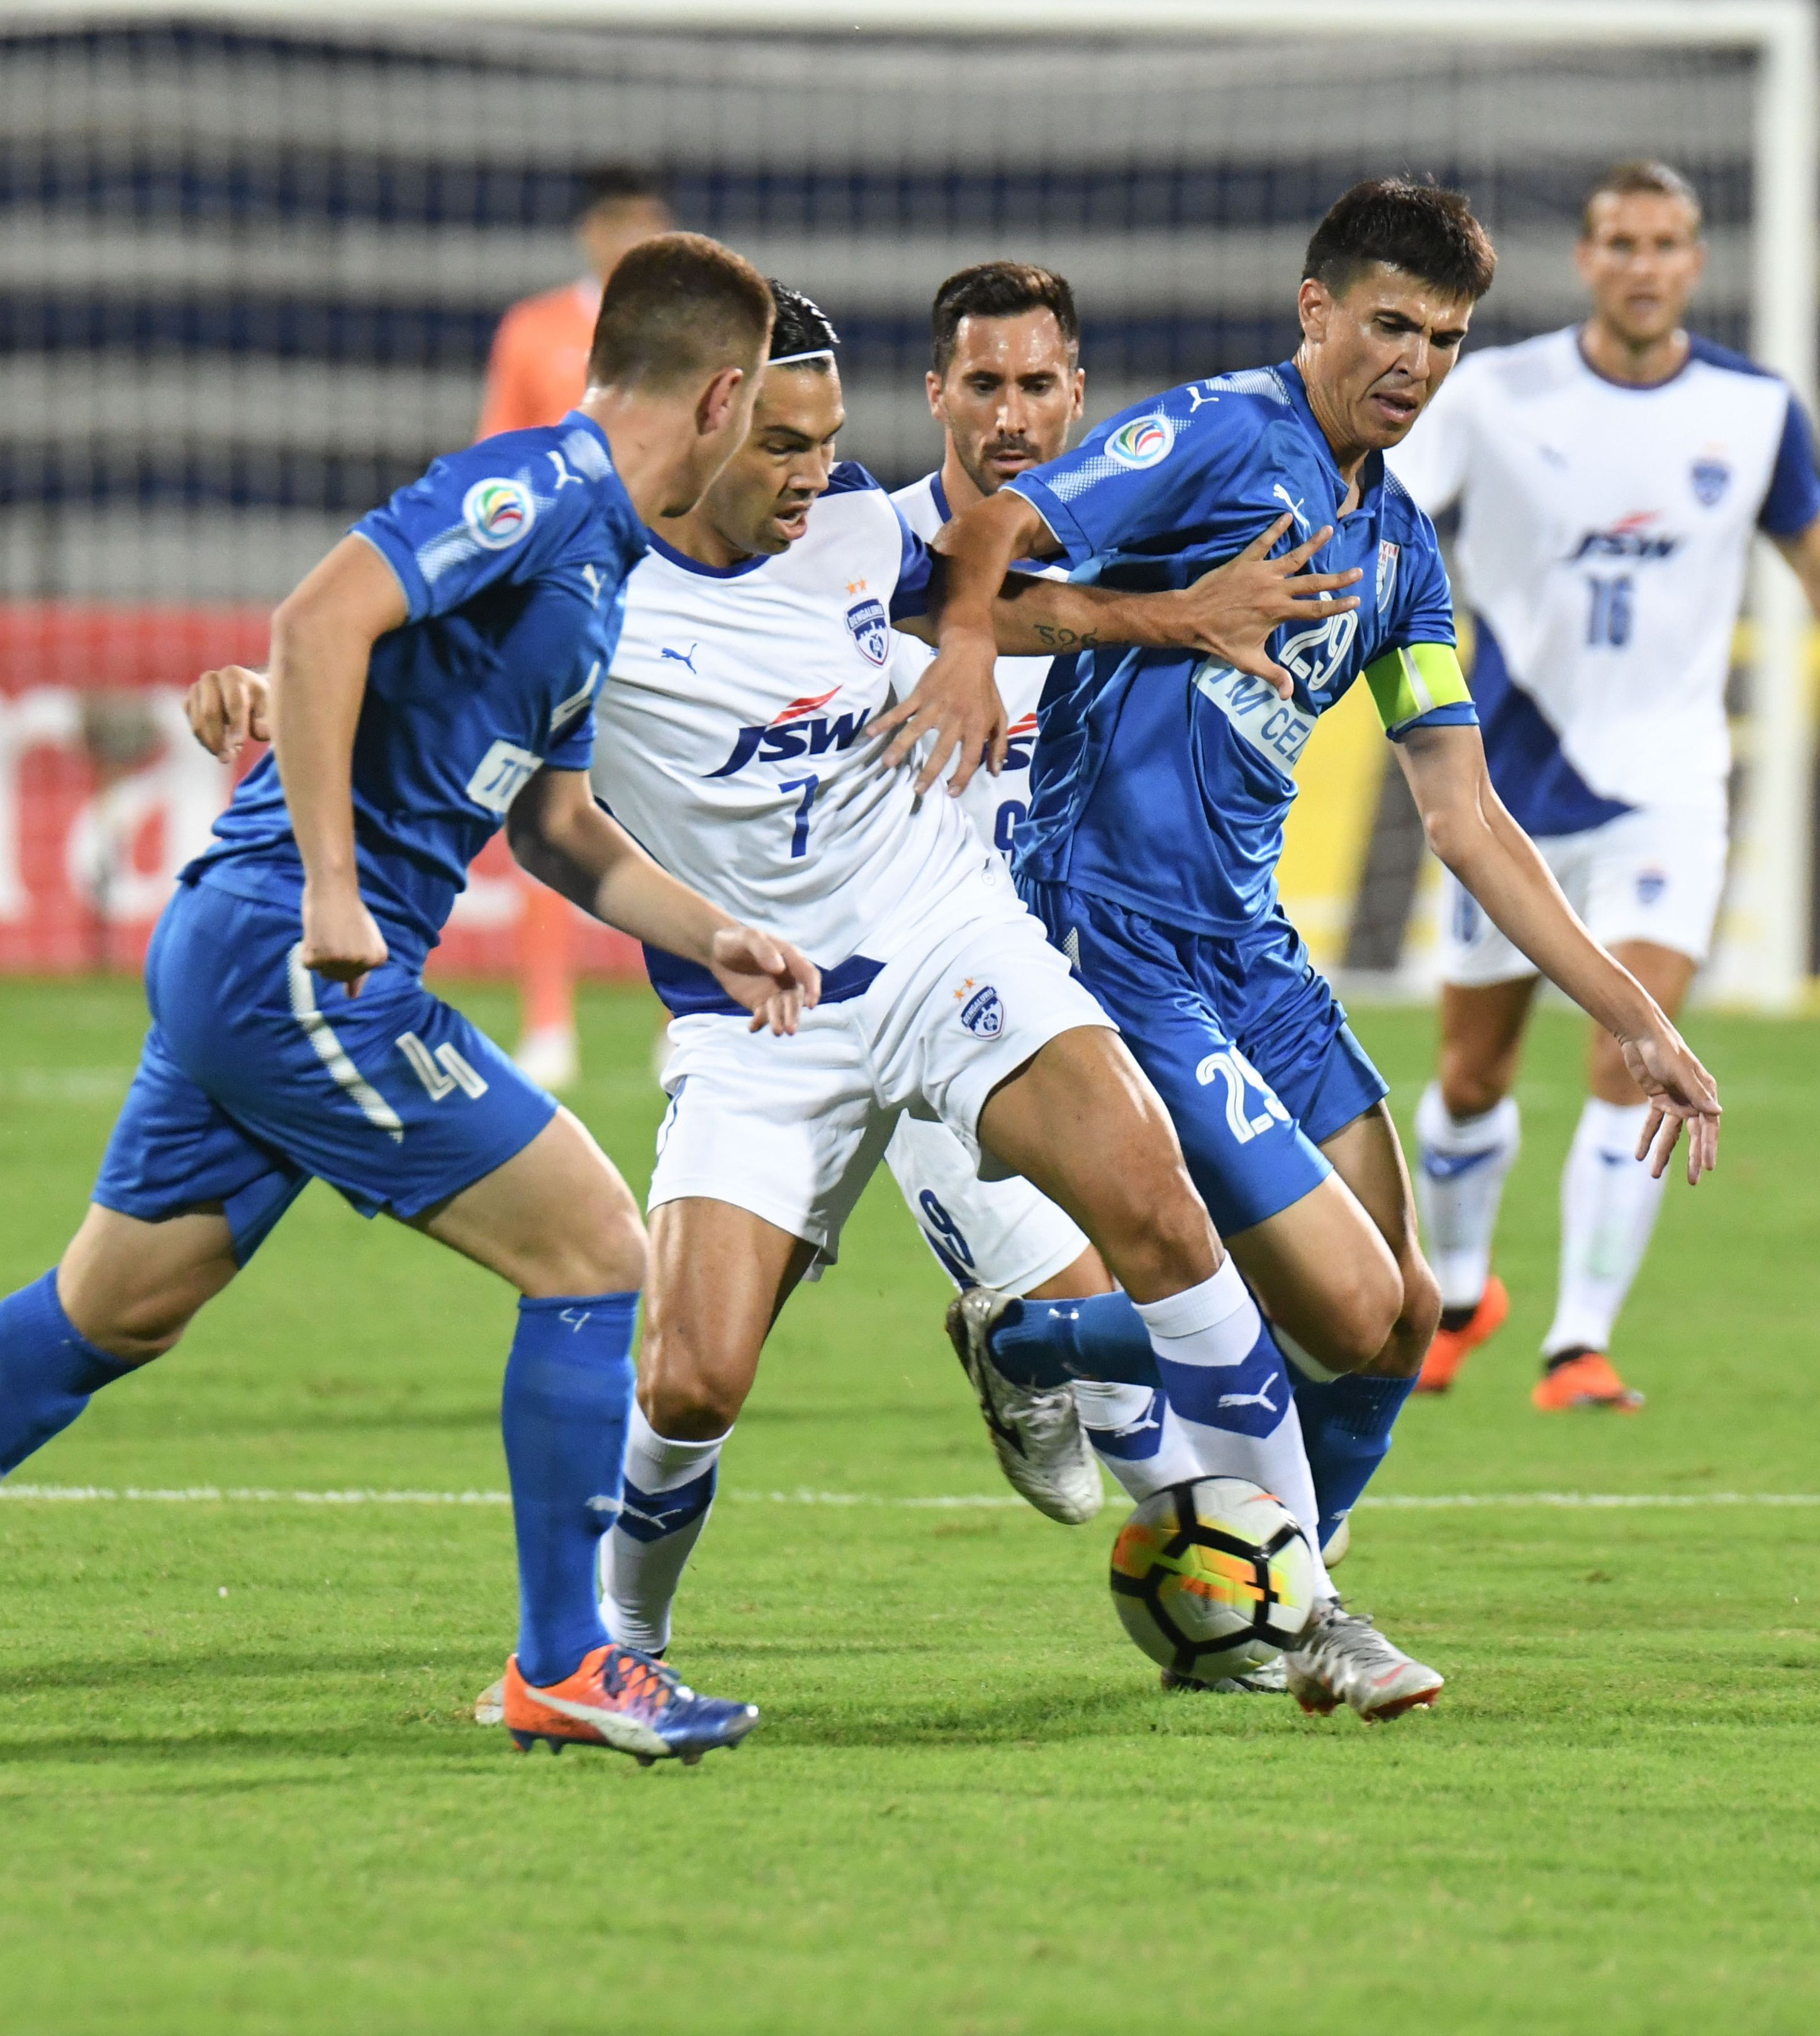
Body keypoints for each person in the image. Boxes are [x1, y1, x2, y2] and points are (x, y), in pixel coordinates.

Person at [0, 234, 806, 1765]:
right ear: (718, 397)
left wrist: (720, 932)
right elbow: (318, 623)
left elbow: (556, 829)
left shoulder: (603, 564)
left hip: (256, 963)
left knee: (114, 1308)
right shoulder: (534, 490)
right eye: (764, 413)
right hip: (301, 959)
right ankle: (569, 1661)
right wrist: (331, 886)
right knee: (594, 1251)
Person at [460, 281, 1444, 1716]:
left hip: (946, 946)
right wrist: (257, 691)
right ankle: (619, 1642)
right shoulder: (579, 598)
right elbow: (413, 698)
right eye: (786, 446)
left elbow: (1003, 566)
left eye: (828, 440)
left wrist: (1165, 616)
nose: (818, 474)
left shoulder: (858, 525)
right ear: (706, 422)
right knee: (688, 1383)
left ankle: (1307, 1611)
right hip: (761, 1018)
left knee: (1158, 1218)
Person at [886, 179, 1724, 1593]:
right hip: (1115, 938)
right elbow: (974, 547)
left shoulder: (1399, 554)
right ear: (1316, 308)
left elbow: (1466, 818)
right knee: (1340, 1303)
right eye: (1391, 324)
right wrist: (974, 649)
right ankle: (1293, 1606)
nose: (1416, 363)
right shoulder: (1218, 435)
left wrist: (1636, 1015)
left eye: (1447, 339)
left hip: (1249, 951)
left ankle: (1253, 1567)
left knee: (1410, 1316)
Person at [1389, 159, 1820, 1414]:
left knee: (1631, 1053)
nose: (1644, 264)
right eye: (1620, 241)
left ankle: (1579, 1344)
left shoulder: (1751, 412)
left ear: (1694, 263)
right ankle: (1460, 1291)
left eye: (1666, 243)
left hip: (1671, 789)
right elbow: (1376, 518)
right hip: (1507, 792)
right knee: (1470, 1078)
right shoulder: (1494, 396)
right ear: (1589, 260)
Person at [870, 263, 1141, 1508]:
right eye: (984, 383)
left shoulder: (1141, 565)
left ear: (1078, 395)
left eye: (1038, 383)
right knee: (699, 1356)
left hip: (1100, 1005)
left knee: (1219, 1326)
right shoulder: (866, 568)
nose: (1012, 414)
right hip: (919, 1011)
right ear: (938, 392)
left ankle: (1019, 1342)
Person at [474, 164, 679, 1094]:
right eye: (615, 222)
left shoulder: (691, 329)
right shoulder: (535, 331)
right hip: (559, 599)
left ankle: (688, 1011)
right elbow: (498, 461)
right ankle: (548, 1023)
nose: (628, 236)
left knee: (673, 807)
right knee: (546, 808)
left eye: (645, 220)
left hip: (666, 597)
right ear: (589, 234)